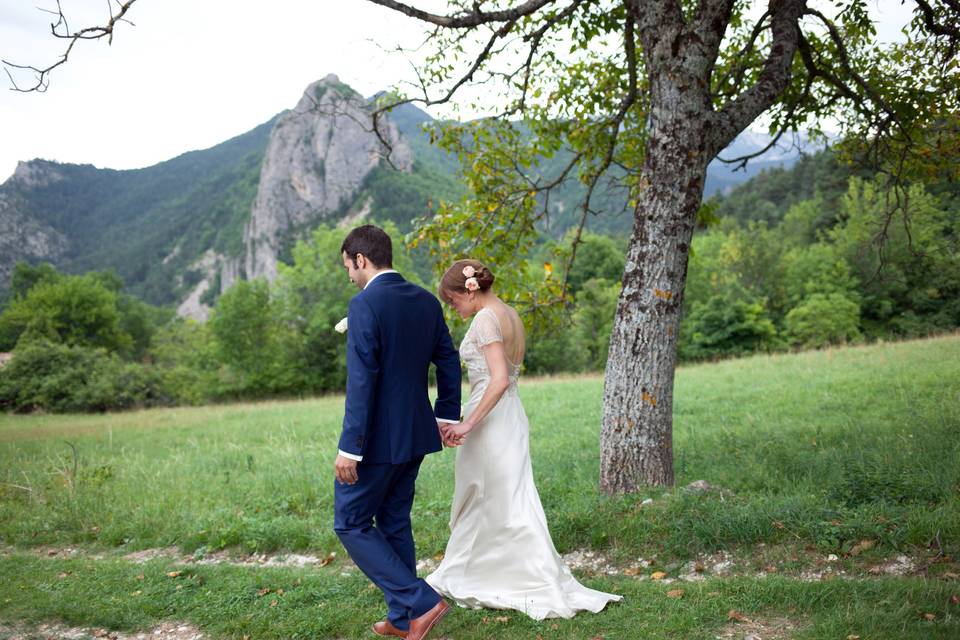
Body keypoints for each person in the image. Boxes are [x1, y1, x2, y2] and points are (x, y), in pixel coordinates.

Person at [429, 259, 622, 619]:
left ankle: (487, 572)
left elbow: (498, 378)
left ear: (468, 290)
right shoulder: (510, 314)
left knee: (488, 494)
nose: (453, 308)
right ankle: (485, 567)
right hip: (509, 414)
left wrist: (468, 422)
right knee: (503, 494)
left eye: (452, 300)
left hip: (490, 417)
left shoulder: (485, 318)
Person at [333, 225, 461, 640]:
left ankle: (421, 601)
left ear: (361, 259)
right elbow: (448, 360)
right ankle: (404, 617)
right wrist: (446, 414)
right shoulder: (425, 301)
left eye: (348, 267)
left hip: (377, 442)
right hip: (417, 434)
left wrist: (350, 449)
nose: (349, 276)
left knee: (350, 522)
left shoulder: (365, 305)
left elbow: (363, 380)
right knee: (392, 521)